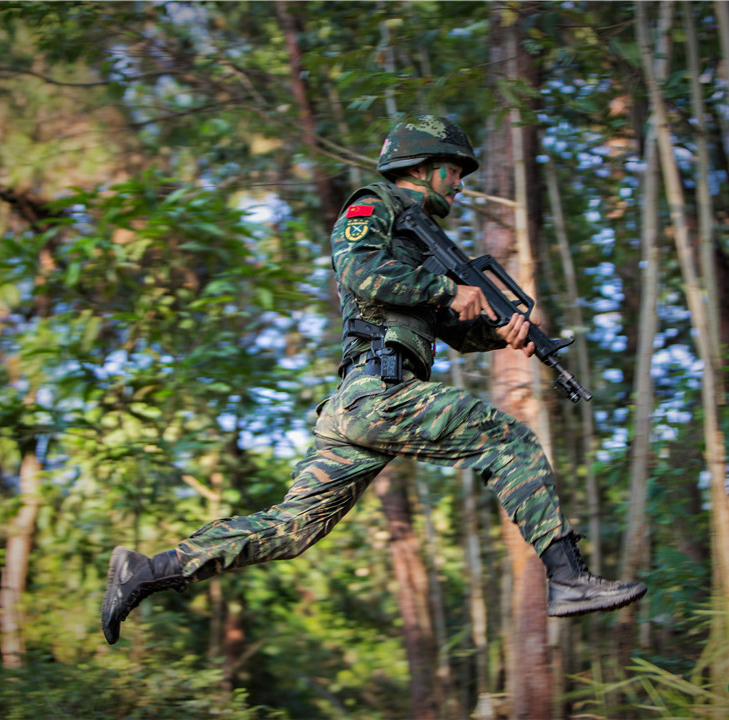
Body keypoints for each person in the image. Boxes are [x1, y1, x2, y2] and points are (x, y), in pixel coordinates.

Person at [101, 115, 646, 645]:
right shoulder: (373, 204)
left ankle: (146, 571)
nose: (460, 182)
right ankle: (569, 579)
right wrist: (447, 291)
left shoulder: (421, 245)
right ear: (421, 166)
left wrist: (503, 333)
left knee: (292, 530)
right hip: (379, 392)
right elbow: (359, 272)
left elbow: (451, 331)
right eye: (454, 169)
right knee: (508, 440)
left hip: (364, 403)